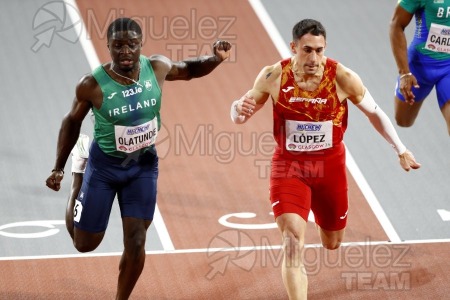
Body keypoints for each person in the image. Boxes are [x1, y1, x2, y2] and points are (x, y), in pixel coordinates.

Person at [230, 19, 420, 299]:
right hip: (289, 166)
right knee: (292, 241)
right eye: (307, 50)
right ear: (293, 47)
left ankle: (323, 218)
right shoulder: (273, 76)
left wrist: (401, 149)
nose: (314, 57)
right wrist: (236, 108)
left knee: (332, 242)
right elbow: (239, 116)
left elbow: (375, 113)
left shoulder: (341, 77)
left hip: (329, 168)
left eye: (320, 50)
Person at [45, 17, 231, 300]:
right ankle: (77, 178)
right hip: (103, 168)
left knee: (137, 240)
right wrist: (59, 167)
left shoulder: (156, 67)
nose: (125, 51)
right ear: (108, 46)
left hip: (142, 166)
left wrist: (215, 59)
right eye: (118, 45)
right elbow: (71, 122)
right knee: (84, 244)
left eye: (132, 44)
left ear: (140, 44)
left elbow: (190, 69)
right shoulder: (92, 85)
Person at [389, 0, 450, 134]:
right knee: (403, 120)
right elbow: (396, 24)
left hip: (448, 68)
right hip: (419, 67)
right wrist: (404, 73)